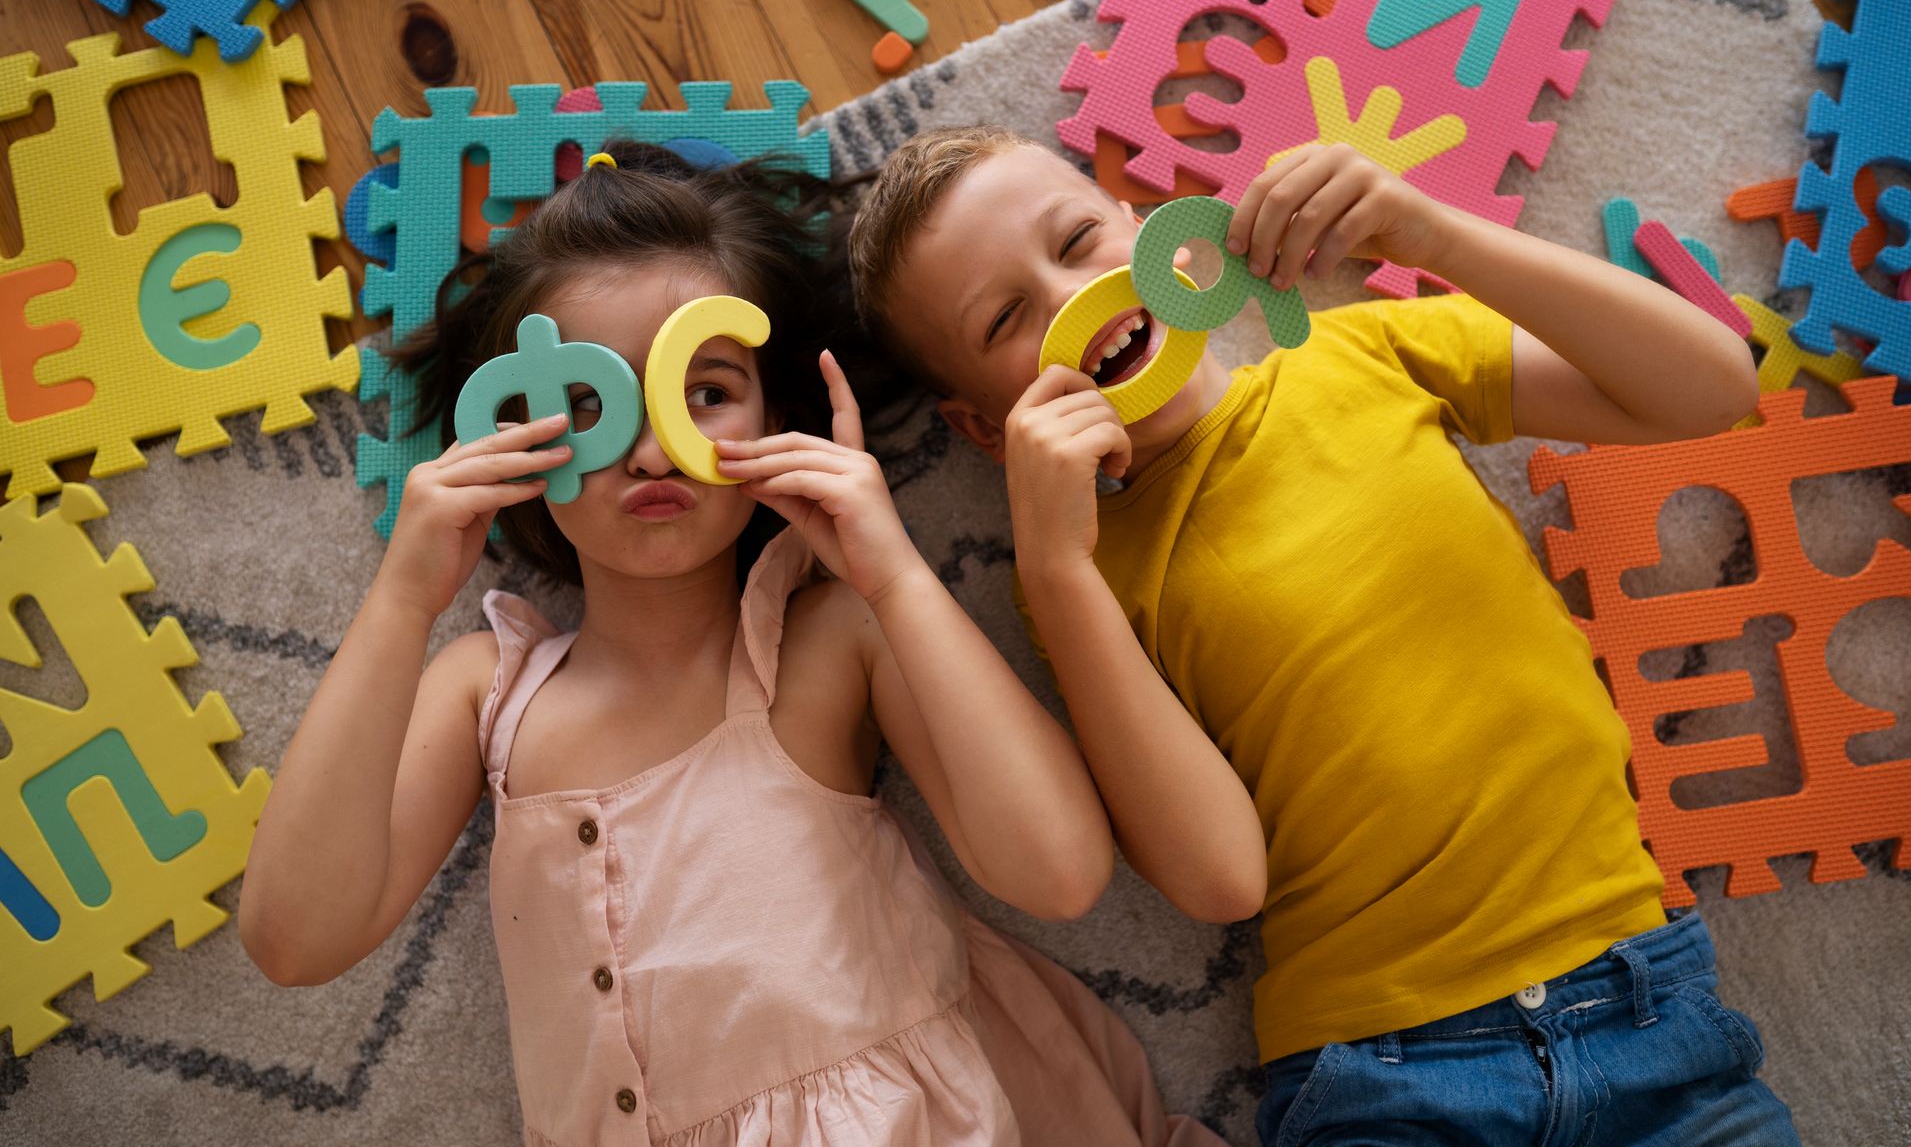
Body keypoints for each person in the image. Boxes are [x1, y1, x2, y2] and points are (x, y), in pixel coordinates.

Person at [240, 141, 1221, 1147]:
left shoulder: (829, 636)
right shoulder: (487, 687)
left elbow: (1060, 874)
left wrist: (891, 567)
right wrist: (404, 596)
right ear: (510, 434)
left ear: (780, 420)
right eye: (588, 404)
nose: (652, 447)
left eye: (703, 391)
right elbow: (293, 938)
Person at [847, 125, 1799, 1145]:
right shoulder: (1075, 570)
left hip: (1645, 1011)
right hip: (1386, 1073)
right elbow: (1221, 878)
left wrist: (1434, 232)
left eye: (1078, 239)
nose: (1071, 303)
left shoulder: (1365, 350)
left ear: (1150, 225)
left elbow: (1714, 388)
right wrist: (1056, 566)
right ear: (984, 430)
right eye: (1005, 317)